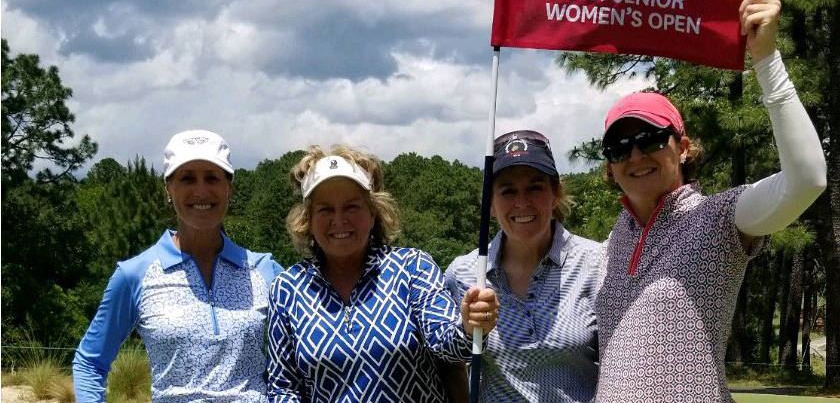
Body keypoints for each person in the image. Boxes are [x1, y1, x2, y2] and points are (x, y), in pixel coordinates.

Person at [594, 0, 827, 403]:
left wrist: (766, 58)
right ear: (610, 166)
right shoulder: (612, 242)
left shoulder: (719, 218)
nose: (634, 154)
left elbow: (806, 179)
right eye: (619, 147)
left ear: (683, 148)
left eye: (650, 138)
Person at [265, 145, 499, 403]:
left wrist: (470, 327)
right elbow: (282, 387)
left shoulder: (412, 267)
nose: (339, 219)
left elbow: (452, 348)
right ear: (307, 218)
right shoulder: (288, 288)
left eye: (352, 206)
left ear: (373, 212)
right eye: (325, 209)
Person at [73, 130, 282, 403]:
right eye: (187, 178)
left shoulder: (265, 270)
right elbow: (90, 363)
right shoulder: (135, 274)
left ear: (229, 187)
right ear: (168, 189)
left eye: (212, 177)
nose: (201, 190)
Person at [445, 130, 600, 402]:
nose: (522, 202)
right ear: (490, 204)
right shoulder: (463, 273)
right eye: (507, 191)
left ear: (555, 193)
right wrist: (465, 331)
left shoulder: (597, 263)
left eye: (535, 187)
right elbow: (449, 362)